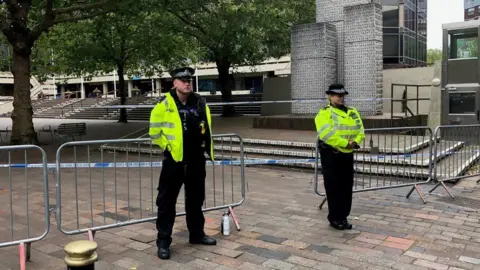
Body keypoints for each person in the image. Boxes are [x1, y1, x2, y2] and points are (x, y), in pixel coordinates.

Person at [149, 66, 216, 260]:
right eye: (183, 80)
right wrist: (167, 147)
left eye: (189, 80)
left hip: (196, 159)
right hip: (175, 160)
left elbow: (207, 128)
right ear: (174, 83)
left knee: (195, 199)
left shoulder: (200, 102)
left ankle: (197, 234)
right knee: (166, 202)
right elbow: (154, 131)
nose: (187, 83)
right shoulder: (165, 104)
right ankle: (163, 241)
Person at [315, 83, 365, 230]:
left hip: (347, 154)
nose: (341, 98)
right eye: (338, 95)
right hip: (332, 154)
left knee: (346, 187)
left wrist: (355, 142)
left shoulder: (353, 111)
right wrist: (345, 143)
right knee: (333, 187)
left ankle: (343, 217)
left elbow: (360, 129)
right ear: (330, 96)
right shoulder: (324, 113)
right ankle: (335, 218)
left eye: (343, 95)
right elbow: (326, 134)